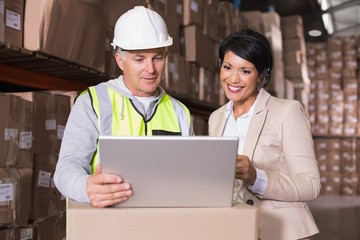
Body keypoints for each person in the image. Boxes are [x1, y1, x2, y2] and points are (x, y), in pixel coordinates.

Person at [54, 6, 193, 208]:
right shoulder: (93, 101)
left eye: (158, 57)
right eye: (139, 59)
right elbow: (66, 169)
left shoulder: (179, 112)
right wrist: (85, 187)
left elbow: (190, 176)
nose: (151, 69)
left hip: (162, 223)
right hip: (109, 225)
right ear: (120, 60)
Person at [208, 29, 321, 240]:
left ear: (262, 74)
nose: (233, 79)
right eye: (227, 67)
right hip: (232, 229)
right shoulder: (217, 118)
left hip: (278, 232)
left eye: (245, 71)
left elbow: (311, 185)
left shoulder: (287, 112)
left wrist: (256, 177)